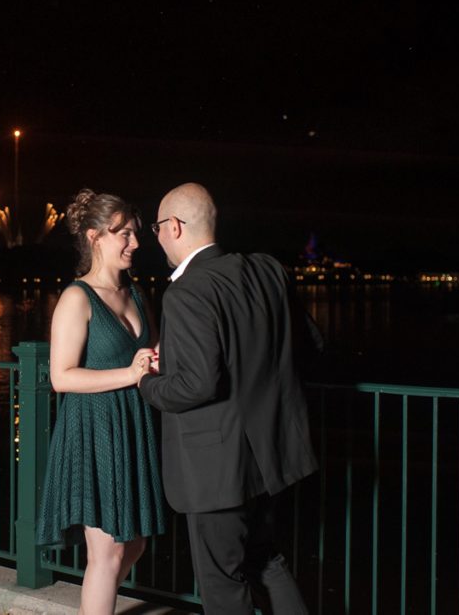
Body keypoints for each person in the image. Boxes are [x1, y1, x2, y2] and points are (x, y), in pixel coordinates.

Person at [137, 183, 317, 615]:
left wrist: (147, 381)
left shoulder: (186, 292)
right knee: (267, 562)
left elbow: (196, 386)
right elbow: (310, 345)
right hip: (272, 460)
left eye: (157, 227)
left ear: (175, 227)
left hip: (216, 473)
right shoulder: (268, 270)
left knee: (222, 585)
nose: (155, 236)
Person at [37, 189, 166, 615]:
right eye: (124, 234)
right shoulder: (76, 297)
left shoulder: (136, 292)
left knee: (136, 542)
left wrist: (157, 356)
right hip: (93, 431)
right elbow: (61, 377)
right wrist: (129, 374)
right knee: (107, 555)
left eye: (135, 233)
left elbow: (142, 354)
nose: (135, 242)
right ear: (95, 237)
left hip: (132, 425)